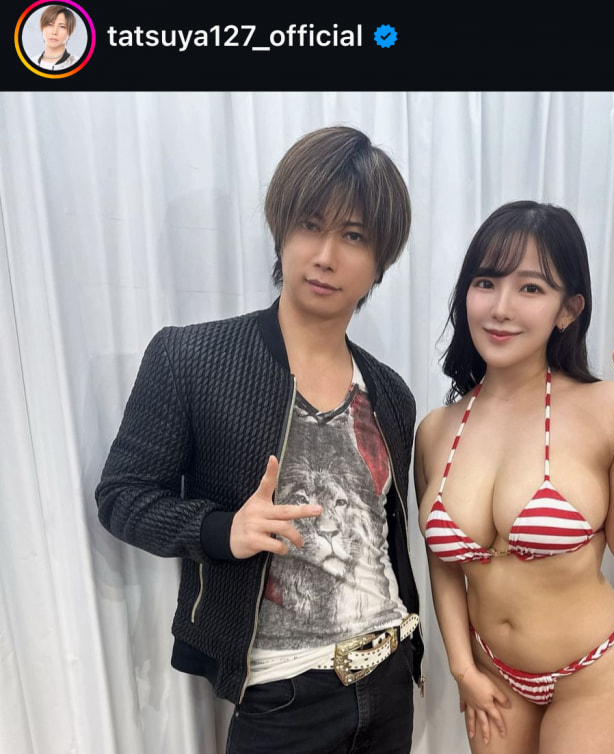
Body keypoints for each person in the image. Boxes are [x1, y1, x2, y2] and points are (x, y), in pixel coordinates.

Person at [96, 126, 423, 754]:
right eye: (309, 225)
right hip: (281, 693)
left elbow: (385, 534)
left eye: (354, 236)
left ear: (380, 260)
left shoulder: (391, 393)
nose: (325, 255)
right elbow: (122, 496)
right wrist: (222, 530)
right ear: (281, 230)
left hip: (388, 678)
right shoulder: (191, 358)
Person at [415, 200, 614, 753]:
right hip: (493, 674)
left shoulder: (607, 408)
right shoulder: (436, 430)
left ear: (567, 309)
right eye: (486, 282)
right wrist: (463, 669)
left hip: (590, 674)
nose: (501, 307)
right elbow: (444, 566)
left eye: (530, 288)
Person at [36, 5, 78, 71]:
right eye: (50, 25)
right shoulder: (32, 61)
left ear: (70, 33)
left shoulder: (77, 64)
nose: (54, 32)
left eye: (62, 26)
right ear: (42, 28)